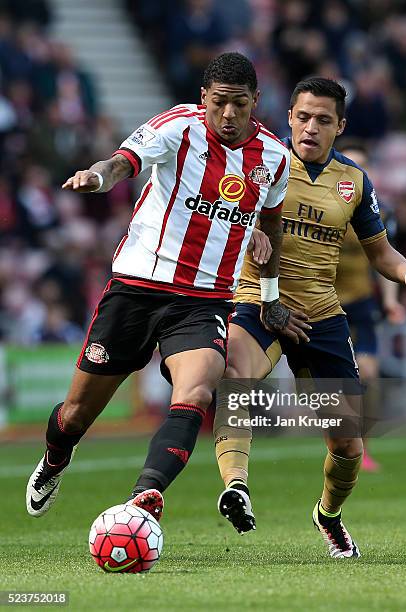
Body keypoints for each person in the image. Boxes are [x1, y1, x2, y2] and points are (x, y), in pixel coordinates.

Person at [26, 52, 306, 523]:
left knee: (196, 394)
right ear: (204, 98)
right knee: (75, 414)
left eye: (240, 104)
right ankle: (55, 459)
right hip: (137, 287)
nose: (230, 115)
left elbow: (272, 227)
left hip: (206, 299)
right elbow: (122, 161)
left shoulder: (275, 159)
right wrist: (98, 177)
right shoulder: (178, 127)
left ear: (255, 101)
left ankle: (144, 499)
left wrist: (272, 296)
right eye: (220, 103)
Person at [213, 77, 406, 557]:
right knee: (237, 380)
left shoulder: (354, 181)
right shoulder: (261, 161)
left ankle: (328, 516)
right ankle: (237, 486)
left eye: (322, 120)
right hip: (257, 299)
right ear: (289, 117)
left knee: (348, 448)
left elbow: (381, 253)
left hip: (320, 313)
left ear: (340, 126)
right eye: (302, 117)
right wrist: (244, 231)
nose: (310, 127)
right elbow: (218, 215)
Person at [334, 142, 406, 472]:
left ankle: (365, 447)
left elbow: (385, 259)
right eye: (350, 163)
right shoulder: (321, 203)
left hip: (361, 303)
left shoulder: (378, 211)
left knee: (368, 376)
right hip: (321, 304)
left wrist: (391, 302)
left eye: (361, 165)